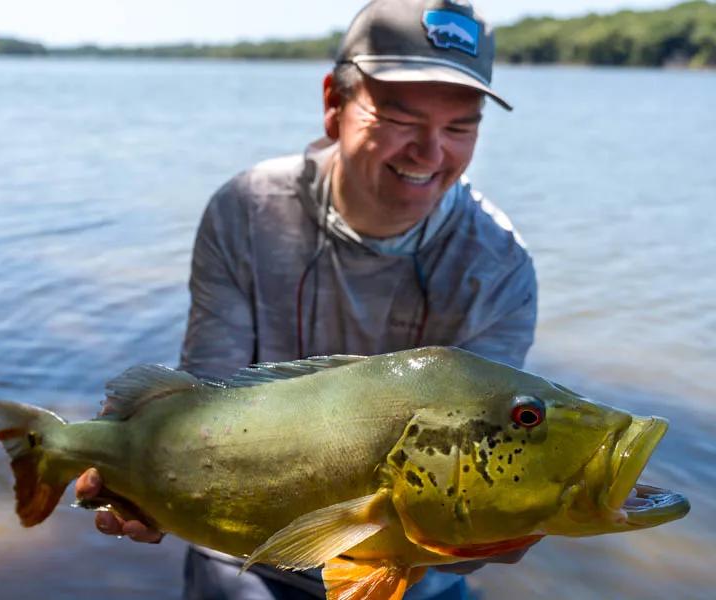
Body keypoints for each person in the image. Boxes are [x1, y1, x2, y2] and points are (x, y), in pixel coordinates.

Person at [77, 0, 537, 598]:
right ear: (333, 104)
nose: (430, 153)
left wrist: (503, 525)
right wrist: (145, 479)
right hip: (242, 550)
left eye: (460, 127)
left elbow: (491, 451)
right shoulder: (246, 211)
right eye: (399, 118)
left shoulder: (498, 269)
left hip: (411, 570)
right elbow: (204, 403)